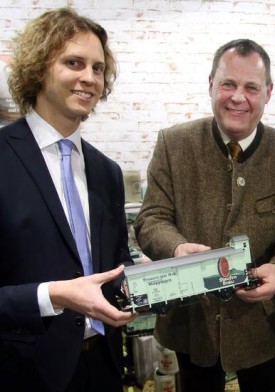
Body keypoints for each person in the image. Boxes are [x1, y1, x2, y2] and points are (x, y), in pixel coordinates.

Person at [134, 38, 275, 392]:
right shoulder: (174, 145)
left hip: (259, 328)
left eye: (251, 87)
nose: (238, 97)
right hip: (191, 325)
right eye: (228, 84)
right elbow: (151, 218)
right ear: (211, 86)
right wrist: (176, 249)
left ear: (268, 92)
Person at [0, 8, 136, 392]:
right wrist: (54, 294)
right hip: (24, 372)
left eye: (97, 68)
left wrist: (154, 278)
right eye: (73, 63)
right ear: (39, 68)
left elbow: (115, 262)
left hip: (105, 367)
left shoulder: (107, 171)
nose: (89, 78)